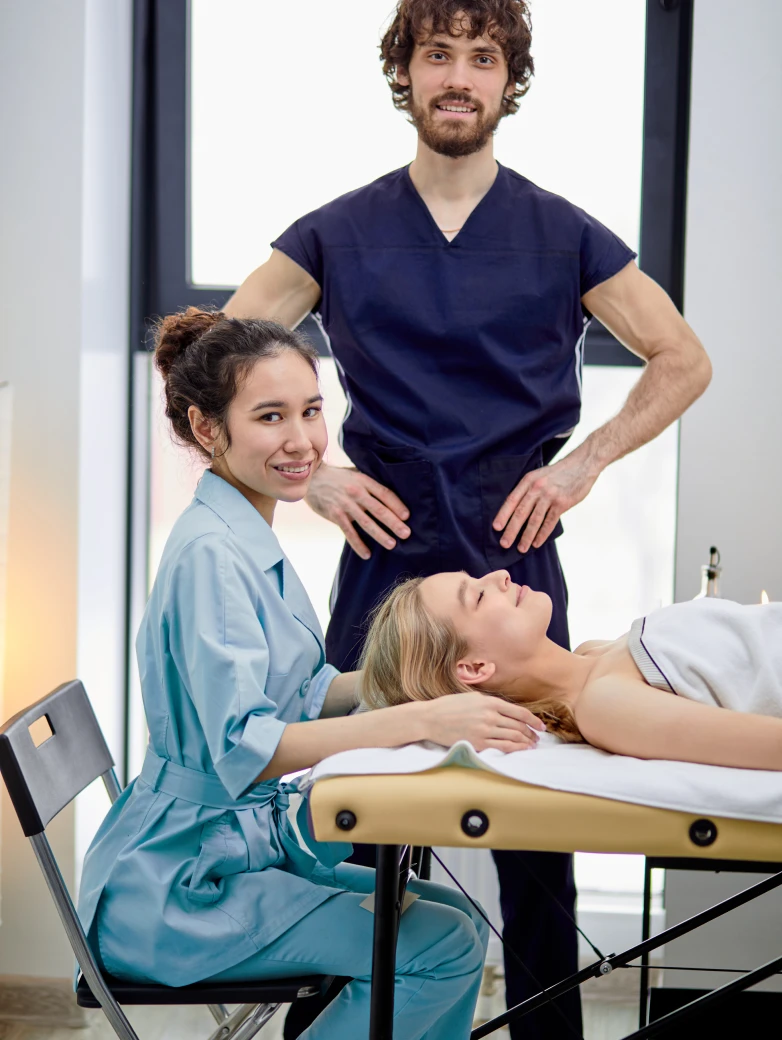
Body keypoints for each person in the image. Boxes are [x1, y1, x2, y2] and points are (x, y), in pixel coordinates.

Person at [224, 1, 712, 1033]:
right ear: (402, 74)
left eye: (480, 58)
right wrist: (307, 478)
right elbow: (212, 361)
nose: (457, 75)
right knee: (357, 815)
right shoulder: (337, 229)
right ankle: (358, 1020)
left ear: (505, 82)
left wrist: (581, 465)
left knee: (539, 835)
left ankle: (543, 1026)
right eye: (435, 54)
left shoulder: (563, 232)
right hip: (384, 558)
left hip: (511, 564)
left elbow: (682, 358)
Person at [77, 310, 552, 1040]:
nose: (302, 441)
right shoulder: (213, 557)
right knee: (444, 948)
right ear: (207, 429)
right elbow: (252, 746)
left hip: (218, 856)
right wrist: (426, 720)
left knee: (453, 915)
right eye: (270, 417)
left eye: (310, 410)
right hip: (181, 890)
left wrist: (429, 683)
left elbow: (297, 694)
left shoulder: (244, 529)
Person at [360, 569, 782, 769]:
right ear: (473, 667)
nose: (501, 575)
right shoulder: (605, 707)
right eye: (479, 596)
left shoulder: (595, 654)